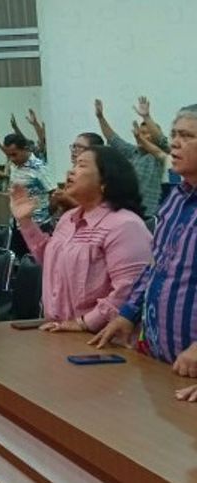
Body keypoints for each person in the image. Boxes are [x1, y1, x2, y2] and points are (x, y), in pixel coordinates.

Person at [91, 104, 197, 402]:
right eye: (174, 134)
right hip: (161, 359)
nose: (174, 143)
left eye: (186, 136)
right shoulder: (176, 199)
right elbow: (156, 267)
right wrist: (127, 313)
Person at [11, 146, 151, 333]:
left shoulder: (125, 225)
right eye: (73, 165)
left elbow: (130, 289)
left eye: (81, 165)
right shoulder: (68, 219)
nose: (71, 171)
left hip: (104, 340)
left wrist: (85, 322)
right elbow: (51, 262)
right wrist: (26, 221)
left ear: (105, 180)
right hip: (61, 332)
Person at [95, 97, 169, 217]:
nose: (140, 135)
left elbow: (161, 141)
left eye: (146, 133)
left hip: (148, 214)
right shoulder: (133, 151)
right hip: (127, 212)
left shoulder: (157, 157)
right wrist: (100, 117)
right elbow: (113, 139)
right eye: (140, 132)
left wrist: (146, 117)